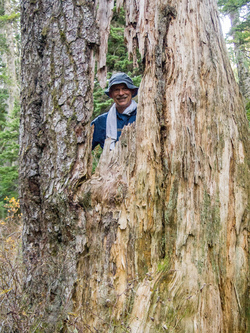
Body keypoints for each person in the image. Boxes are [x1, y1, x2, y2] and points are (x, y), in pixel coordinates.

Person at [91, 72, 139, 150]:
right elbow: (82, 148)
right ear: (111, 94)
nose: (121, 93)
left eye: (125, 89)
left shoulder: (143, 115)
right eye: (116, 90)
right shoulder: (101, 122)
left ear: (132, 91)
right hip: (110, 162)